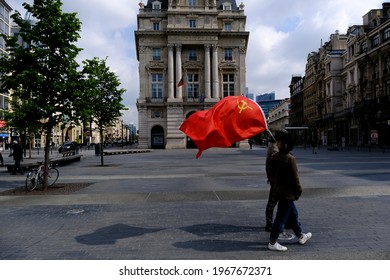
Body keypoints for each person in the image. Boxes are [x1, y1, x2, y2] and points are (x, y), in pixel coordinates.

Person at [267, 130, 312, 251]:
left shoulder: (275, 157)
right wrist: (299, 190)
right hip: (288, 193)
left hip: (278, 191)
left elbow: (271, 172)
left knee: (293, 215)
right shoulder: (290, 158)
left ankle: (300, 235)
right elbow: (295, 178)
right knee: (281, 218)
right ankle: (272, 241)